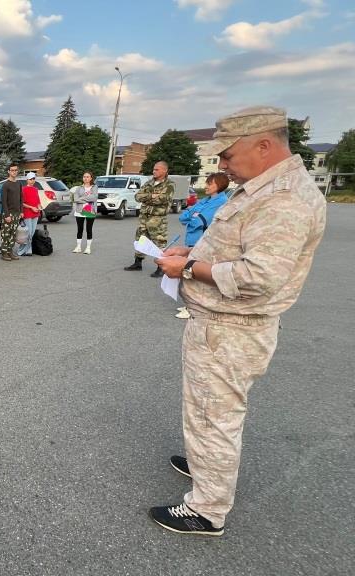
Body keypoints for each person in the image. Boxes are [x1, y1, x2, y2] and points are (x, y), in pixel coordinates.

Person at [150, 106, 327, 536]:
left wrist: (190, 269)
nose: (222, 164)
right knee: (207, 411)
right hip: (220, 325)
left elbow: (258, 277)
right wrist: (190, 255)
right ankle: (204, 464)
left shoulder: (284, 198)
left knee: (216, 415)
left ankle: (207, 509)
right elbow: (237, 252)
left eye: (228, 155)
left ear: (264, 144)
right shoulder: (263, 189)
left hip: (232, 329)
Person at [174, 172, 229, 319]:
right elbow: (184, 216)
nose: (206, 186)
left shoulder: (221, 201)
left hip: (204, 242)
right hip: (192, 241)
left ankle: (193, 307)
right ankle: (190, 303)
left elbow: (200, 222)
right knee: (189, 273)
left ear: (219, 185)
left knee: (195, 273)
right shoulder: (206, 200)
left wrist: (195, 215)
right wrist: (194, 214)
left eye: (210, 183)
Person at [125, 161, 174, 277]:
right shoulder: (149, 183)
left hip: (158, 218)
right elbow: (137, 196)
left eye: (157, 169)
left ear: (165, 171)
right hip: (144, 217)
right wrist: (152, 196)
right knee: (140, 240)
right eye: (153, 169)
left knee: (159, 242)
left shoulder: (169, 184)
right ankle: (138, 263)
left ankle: (161, 267)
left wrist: (147, 197)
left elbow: (163, 198)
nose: (154, 171)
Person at [0, 164, 22, 261]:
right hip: (8, 214)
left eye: (16, 170)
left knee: (13, 234)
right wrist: (7, 215)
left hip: (17, 214)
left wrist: (21, 211)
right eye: (12, 170)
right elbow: (3, 201)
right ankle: (4, 252)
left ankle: (10, 251)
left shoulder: (19, 184)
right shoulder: (6, 185)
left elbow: (21, 199)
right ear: (8, 171)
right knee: (6, 234)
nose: (14, 172)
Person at [72, 171, 98, 254]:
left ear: (91, 178)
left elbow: (94, 198)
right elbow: (75, 199)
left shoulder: (94, 187)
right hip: (79, 210)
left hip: (89, 209)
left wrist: (81, 199)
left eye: (87, 177)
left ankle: (88, 247)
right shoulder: (78, 188)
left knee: (89, 229)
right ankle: (78, 247)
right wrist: (86, 198)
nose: (85, 178)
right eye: (84, 176)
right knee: (80, 229)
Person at [16, 172, 41, 257]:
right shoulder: (24, 189)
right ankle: (21, 251)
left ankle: (28, 249)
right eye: (30, 179)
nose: (32, 181)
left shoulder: (36, 189)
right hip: (28, 213)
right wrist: (31, 207)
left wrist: (39, 206)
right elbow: (22, 203)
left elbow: (38, 201)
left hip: (36, 213)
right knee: (28, 233)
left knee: (32, 233)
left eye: (33, 179)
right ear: (27, 180)